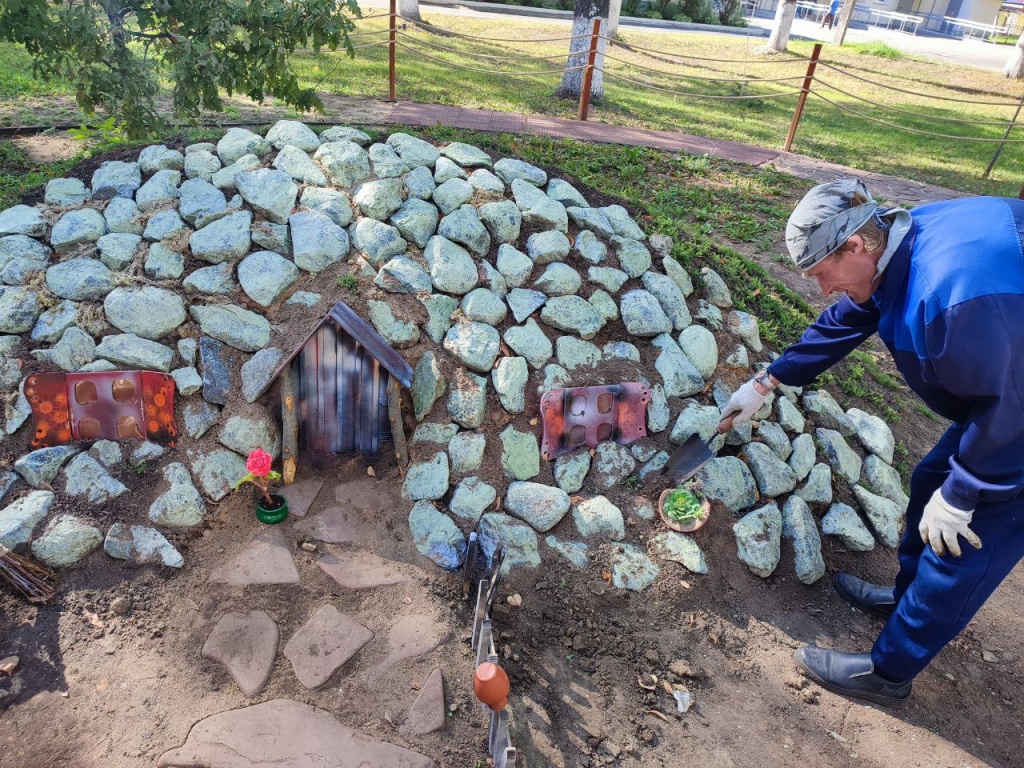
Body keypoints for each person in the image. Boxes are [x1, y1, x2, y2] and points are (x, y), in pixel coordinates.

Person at [719, 178, 1024, 709]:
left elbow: (1015, 408)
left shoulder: (953, 296)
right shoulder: (901, 239)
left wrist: (969, 490)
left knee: (965, 536)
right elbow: (856, 312)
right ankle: (908, 600)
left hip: (1016, 412)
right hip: (1007, 383)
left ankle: (890, 671)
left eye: (821, 273)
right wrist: (770, 380)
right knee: (932, 480)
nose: (821, 289)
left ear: (857, 245)